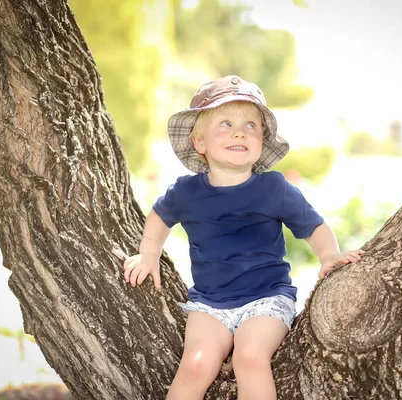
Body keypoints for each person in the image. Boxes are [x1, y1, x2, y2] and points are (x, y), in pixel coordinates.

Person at [123, 75, 364, 400]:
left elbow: (313, 226)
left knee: (249, 357)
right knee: (195, 364)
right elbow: (159, 216)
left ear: (261, 141)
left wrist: (329, 255)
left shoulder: (273, 188)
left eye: (251, 126)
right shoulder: (186, 192)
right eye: (226, 123)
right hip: (209, 304)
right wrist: (148, 253)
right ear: (200, 143)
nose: (240, 131)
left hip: (266, 299)